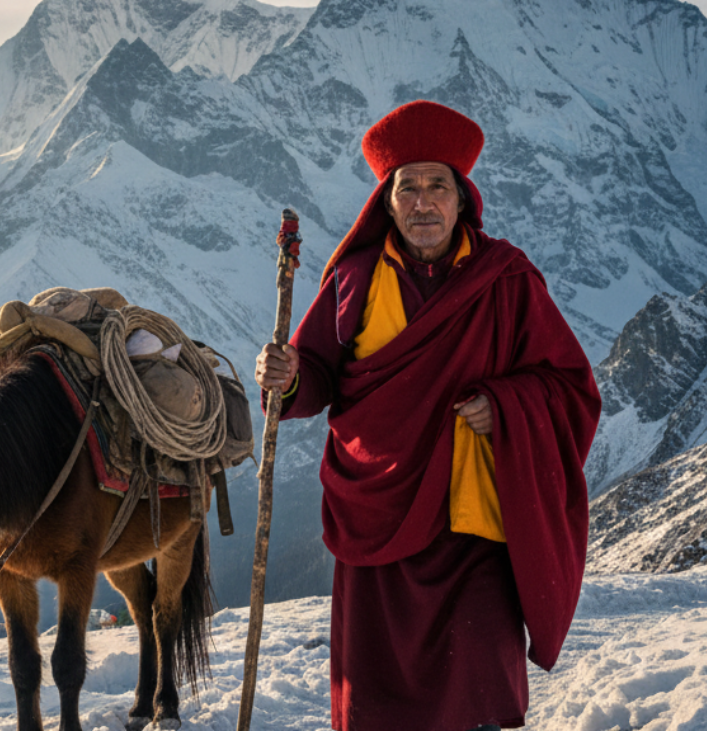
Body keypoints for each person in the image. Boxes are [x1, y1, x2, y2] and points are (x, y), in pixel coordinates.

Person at [254, 100, 601, 731]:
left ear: (462, 198)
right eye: (406, 187)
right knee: (378, 698)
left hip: (474, 523)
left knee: (481, 685)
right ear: (386, 202)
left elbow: (570, 387)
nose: (422, 203)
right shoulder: (357, 277)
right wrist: (288, 378)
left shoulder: (506, 280)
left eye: (436, 185)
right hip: (376, 518)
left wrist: (505, 405)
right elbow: (318, 373)